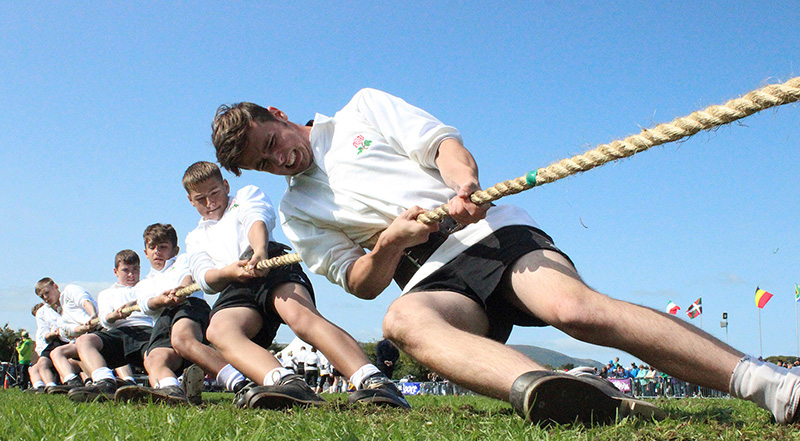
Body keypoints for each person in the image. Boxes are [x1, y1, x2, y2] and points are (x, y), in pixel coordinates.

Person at [210, 88, 800, 425]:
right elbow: (361, 283)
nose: (279, 161)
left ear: (280, 115)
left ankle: (768, 384)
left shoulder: (362, 109)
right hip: (430, 274)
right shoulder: (296, 213)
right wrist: (390, 242)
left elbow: (444, 146)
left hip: (487, 229)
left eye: (272, 145)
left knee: (576, 312)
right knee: (400, 320)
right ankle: (561, 393)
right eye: (264, 164)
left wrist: (462, 187)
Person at [181, 161, 408, 409]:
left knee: (299, 317)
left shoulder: (246, 194)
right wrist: (228, 272)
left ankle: (373, 380)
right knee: (218, 331)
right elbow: (205, 276)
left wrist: (259, 251)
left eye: (214, 193)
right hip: (233, 281)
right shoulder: (194, 237)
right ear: (191, 202)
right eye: (201, 199)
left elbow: (255, 218)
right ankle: (285, 383)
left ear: (225, 186)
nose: (210, 202)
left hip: (270, 260)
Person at [120, 223, 247, 405]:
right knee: (153, 359)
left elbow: (187, 277)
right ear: (145, 251)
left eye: (163, 247)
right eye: (152, 247)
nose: (157, 252)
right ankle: (171, 391)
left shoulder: (183, 260)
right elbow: (147, 304)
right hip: (163, 316)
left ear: (175, 249)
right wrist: (161, 300)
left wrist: (182, 289)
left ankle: (240, 383)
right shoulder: (143, 284)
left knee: (182, 340)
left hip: (190, 305)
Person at [67, 250, 154, 402]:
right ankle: (105, 382)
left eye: (135, 270)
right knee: (84, 341)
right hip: (116, 334)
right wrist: (117, 315)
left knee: (157, 353)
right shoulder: (106, 294)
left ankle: (165, 386)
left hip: (145, 332)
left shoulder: (148, 287)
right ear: (115, 271)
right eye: (125, 270)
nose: (131, 275)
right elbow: (105, 321)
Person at [34, 278, 98, 393]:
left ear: (56, 286)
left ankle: (115, 379)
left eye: (47, 293)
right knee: (55, 354)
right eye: (42, 296)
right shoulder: (59, 315)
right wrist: (83, 329)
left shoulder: (69, 291)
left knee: (75, 354)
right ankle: (71, 382)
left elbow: (85, 301)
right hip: (77, 336)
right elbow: (72, 330)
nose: (45, 298)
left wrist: (93, 316)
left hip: (98, 329)